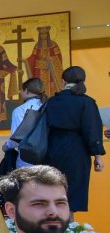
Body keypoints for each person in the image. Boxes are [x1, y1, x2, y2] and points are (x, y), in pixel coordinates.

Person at [43, 66, 105, 213]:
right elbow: (92, 131)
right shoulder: (86, 102)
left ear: (63, 81)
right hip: (77, 152)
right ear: (83, 81)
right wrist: (98, 156)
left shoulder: (52, 101)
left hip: (52, 150)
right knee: (73, 196)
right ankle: (70, 230)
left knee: (54, 192)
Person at [3, 77, 45, 171]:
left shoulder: (20, 110)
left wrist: (6, 146)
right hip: (47, 157)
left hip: (27, 159)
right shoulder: (48, 106)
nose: (21, 92)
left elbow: (18, 137)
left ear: (26, 90)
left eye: (22, 89)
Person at [27, 26, 64, 97]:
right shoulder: (37, 45)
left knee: (51, 88)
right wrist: (25, 60)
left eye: (45, 33)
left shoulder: (53, 44)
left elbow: (59, 57)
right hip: (39, 70)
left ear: (48, 34)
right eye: (41, 34)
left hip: (51, 71)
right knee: (40, 88)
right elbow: (33, 57)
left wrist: (50, 59)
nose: (43, 35)